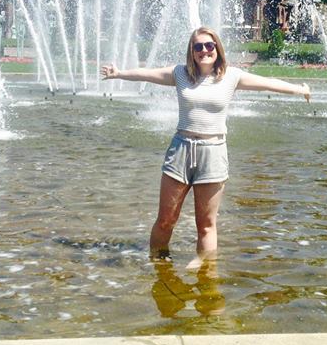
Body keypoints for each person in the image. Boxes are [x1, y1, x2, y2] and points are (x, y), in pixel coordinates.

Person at [100, 26, 310, 264]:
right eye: (198, 46)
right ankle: (158, 264)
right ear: (192, 51)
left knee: (206, 224)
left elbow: (267, 83)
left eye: (209, 46)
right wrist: (119, 73)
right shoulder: (180, 74)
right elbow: (147, 74)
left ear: (217, 49)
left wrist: (299, 89)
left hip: (213, 152)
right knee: (166, 219)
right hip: (180, 150)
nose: (204, 51)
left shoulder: (232, 76)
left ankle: (205, 271)